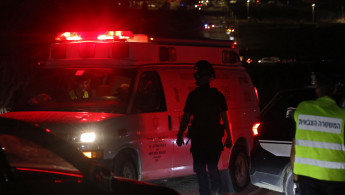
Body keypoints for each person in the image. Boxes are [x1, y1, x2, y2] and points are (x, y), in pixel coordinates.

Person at [176, 60, 232, 195]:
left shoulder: (193, 96)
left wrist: (179, 135)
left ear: (198, 77)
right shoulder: (217, 95)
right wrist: (229, 137)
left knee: (201, 172)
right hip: (213, 141)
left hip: (199, 142)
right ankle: (216, 192)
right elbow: (225, 118)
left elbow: (186, 118)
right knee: (212, 169)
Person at [290, 72, 345, 195]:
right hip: (336, 181)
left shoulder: (302, 110)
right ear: (335, 89)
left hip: (306, 179)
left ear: (317, 88)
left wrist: (296, 180)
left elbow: (293, 151)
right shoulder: (342, 117)